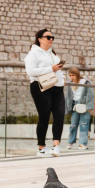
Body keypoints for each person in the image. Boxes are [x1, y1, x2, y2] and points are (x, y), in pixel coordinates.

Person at [24, 28, 66, 158]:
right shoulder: (33, 53)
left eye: (52, 37)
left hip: (57, 87)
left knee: (59, 115)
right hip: (41, 87)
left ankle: (56, 146)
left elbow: (55, 70)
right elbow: (30, 71)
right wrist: (50, 69)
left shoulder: (53, 54)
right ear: (40, 39)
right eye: (48, 37)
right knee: (44, 116)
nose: (51, 39)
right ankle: (41, 148)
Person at [64, 67, 93, 150]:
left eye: (73, 75)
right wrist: (67, 108)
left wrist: (89, 107)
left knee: (84, 125)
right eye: (70, 75)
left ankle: (83, 143)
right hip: (75, 105)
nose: (71, 77)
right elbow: (68, 97)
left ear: (77, 75)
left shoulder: (85, 82)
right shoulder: (70, 83)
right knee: (73, 125)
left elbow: (90, 95)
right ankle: (70, 142)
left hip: (84, 106)